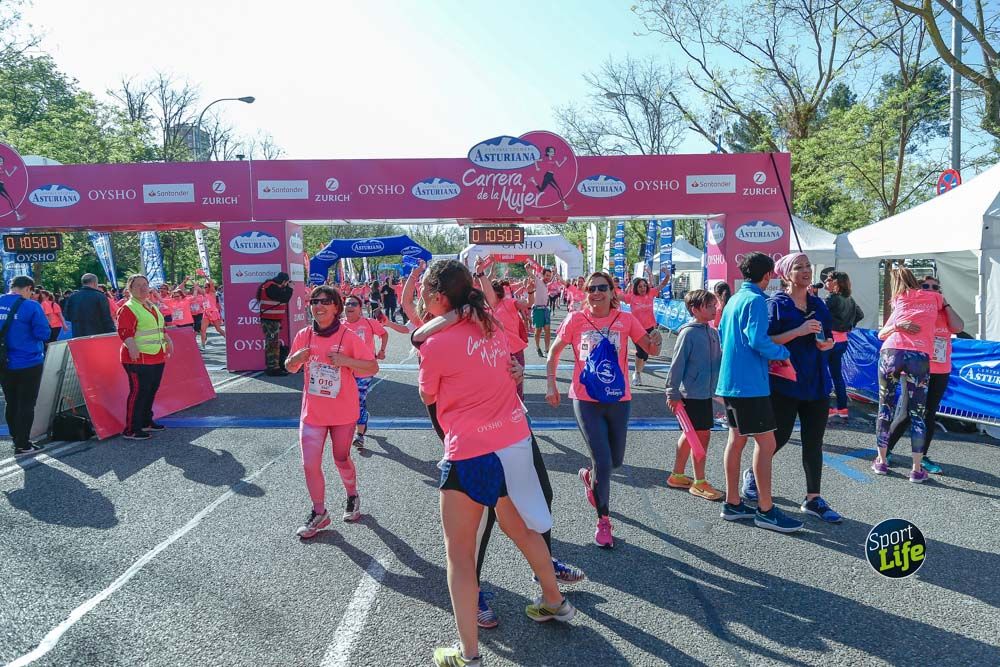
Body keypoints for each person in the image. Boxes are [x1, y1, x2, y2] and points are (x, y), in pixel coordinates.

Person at [417, 260, 575, 667]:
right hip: (514, 440)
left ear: (438, 297)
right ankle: (555, 601)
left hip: (472, 451)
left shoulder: (436, 344)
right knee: (519, 528)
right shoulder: (492, 326)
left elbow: (429, 399)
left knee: (460, 555)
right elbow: (508, 370)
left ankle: (468, 654)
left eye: (422, 289)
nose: (418, 295)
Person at [546, 271, 662, 548]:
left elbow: (651, 351)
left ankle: (590, 479)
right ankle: (604, 521)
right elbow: (554, 352)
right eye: (590, 289)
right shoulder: (575, 319)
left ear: (613, 292)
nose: (595, 293)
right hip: (585, 399)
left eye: (601, 288)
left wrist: (655, 339)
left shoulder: (625, 320)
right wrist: (551, 384)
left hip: (618, 399)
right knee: (603, 461)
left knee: (615, 461)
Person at [717, 253, 801, 533]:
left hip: (730, 381)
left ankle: (733, 502)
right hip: (749, 384)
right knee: (766, 444)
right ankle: (766, 509)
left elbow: (724, 335)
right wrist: (782, 352)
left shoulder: (734, 300)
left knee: (736, 441)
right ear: (767, 276)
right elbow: (757, 340)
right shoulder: (755, 300)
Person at [285, 286, 377, 536]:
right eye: (315, 301)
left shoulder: (348, 337)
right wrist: (295, 360)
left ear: (336, 307)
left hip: (342, 414)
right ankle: (319, 512)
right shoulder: (304, 335)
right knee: (309, 464)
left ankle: (352, 495)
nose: (319, 306)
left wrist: (346, 361)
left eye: (326, 301)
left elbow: (372, 366)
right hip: (313, 413)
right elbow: (289, 367)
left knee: (341, 458)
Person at [763, 253, 842, 523]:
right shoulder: (776, 304)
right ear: (786, 274)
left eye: (808, 266)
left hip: (817, 381)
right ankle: (753, 474)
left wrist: (826, 343)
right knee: (780, 437)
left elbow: (827, 337)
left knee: (813, 442)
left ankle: (813, 498)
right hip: (785, 382)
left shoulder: (818, 304)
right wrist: (799, 330)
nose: (806, 271)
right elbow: (767, 339)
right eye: (799, 267)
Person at [877, 270, 955, 480]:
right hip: (917, 357)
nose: (930, 290)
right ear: (918, 288)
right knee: (909, 413)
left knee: (895, 409)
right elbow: (883, 331)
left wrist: (944, 304)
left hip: (919, 361)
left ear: (939, 292)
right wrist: (898, 325)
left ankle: (891, 462)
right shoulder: (909, 300)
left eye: (935, 287)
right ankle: (911, 467)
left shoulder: (904, 298)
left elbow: (959, 326)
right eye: (926, 286)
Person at [664, 289, 723, 501]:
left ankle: (677, 475)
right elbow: (677, 364)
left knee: (690, 435)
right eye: (709, 306)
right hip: (691, 395)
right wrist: (672, 392)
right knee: (700, 436)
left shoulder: (713, 332)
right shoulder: (688, 333)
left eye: (714, 305)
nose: (714, 309)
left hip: (705, 393)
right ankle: (699, 482)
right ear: (695, 309)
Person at [116, 275, 172, 440]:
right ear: (130, 289)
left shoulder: (151, 305)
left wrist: (168, 340)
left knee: (150, 390)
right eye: (138, 285)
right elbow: (124, 331)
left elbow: (159, 327)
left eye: (145, 285)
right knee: (139, 392)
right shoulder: (128, 307)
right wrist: (132, 347)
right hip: (138, 358)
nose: (142, 288)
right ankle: (131, 429)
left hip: (156, 355)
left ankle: (146, 421)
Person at [1, 276, 51, 455]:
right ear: (29, 288)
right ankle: (23, 443)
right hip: (28, 361)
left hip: (3, 362)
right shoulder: (31, 306)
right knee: (26, 403)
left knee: (11, 401)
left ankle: (16, 439)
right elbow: (43, 333)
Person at [341, 294, 388, 450]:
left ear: (360, 308)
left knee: (358, 400)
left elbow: (384, 333)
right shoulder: (339, 325)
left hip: (364, 370)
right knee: (348, 401)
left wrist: (381, 350)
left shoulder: (368, 322)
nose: (349, 307)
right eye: (347, 304)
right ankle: (362, 419)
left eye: (353, 304)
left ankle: (359, 436)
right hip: (345, 370)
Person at [621, 267, 671, 386]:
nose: (643, 288)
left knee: (647, 352)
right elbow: (616, 297)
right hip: (636, 329)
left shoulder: (651, 293)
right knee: (641, 352)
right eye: (640, 286)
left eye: (644, 286)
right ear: (635, 288)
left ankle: (638, 371)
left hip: (650, 328)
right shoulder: (631, 297)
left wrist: (667, 275)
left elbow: (663, 284)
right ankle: (637, 374)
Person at [824, 271, 864, 419]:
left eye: (829, 279)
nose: (826, 282)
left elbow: (819, 312)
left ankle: (826, 407)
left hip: (829, 341)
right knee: (837, 375)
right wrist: (849, 325)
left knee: (823, 374)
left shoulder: (832, 298)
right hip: (842, 341)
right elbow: (860, 314)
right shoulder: (850, 299)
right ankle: (842, 408)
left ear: (837, 282)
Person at [257, 272, 293, 376]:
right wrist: (290, 288)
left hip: (272, 319)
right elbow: (285, 298)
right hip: (270, 320)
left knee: (273, 343)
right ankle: (273, 368)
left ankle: (274, 366)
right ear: (284, 281)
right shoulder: (271, 287)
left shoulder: (270, 285)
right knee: (272, 344)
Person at [63, 273, 115, 338]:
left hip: (78, 334)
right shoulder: (100, 296)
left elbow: (67, 316)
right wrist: (112, 333)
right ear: (95, 282)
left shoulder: (72, 297)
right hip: (98, 334)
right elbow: (106, 317)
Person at [529, 267, 556, 358]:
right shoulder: (538, 281)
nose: (548, 277)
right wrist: (527, 269)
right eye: (547, 275)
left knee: (547, 330)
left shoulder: (546, 284)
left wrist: (554, 273)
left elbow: (551, 279)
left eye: (549, 276)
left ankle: (547, 350)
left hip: (545, 310)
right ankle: (537, 348)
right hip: (537, 310)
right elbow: (531, 275)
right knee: (538, 331)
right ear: (542, 275)